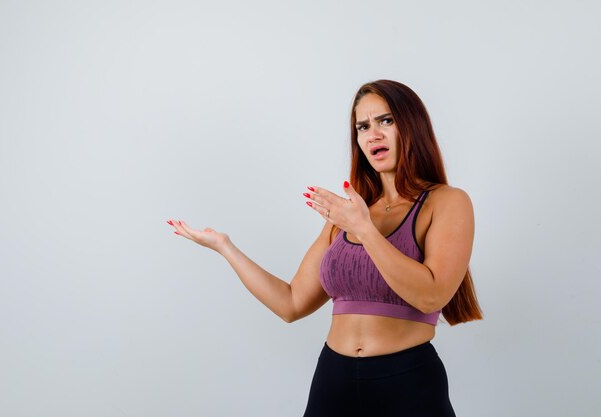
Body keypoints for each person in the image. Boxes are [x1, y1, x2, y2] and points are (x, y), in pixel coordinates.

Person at [167, 79, 482, 417]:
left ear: (412, 124)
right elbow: (291, 304)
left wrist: (364, 229)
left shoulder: (446, 202)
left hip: (407, 383)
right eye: (363, 126)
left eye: (386, 121)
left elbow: (431, 296)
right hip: (334, 380)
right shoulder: (346, 215)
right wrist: (226, 248)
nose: (373, 134)